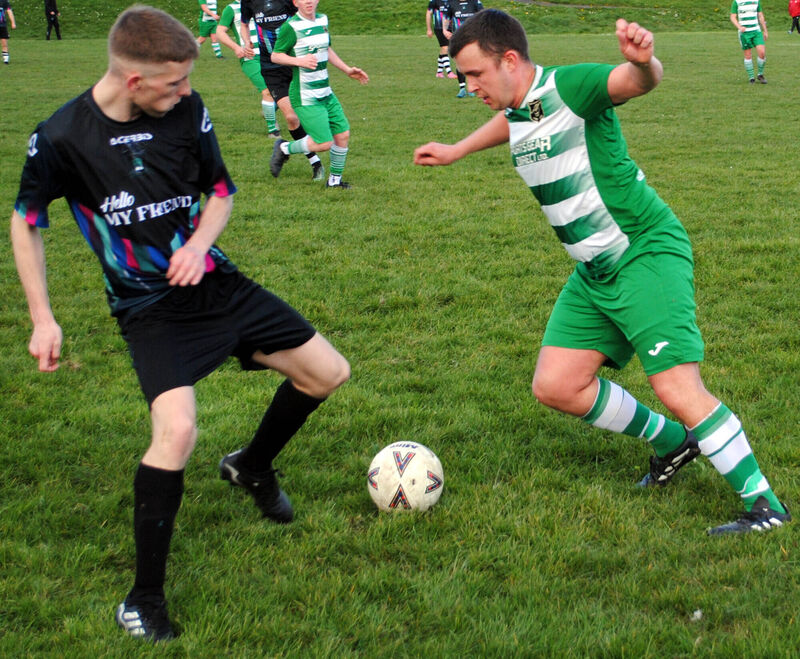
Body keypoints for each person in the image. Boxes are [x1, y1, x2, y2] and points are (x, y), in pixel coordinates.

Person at [10, 5, 350, 642]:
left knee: (328, 373)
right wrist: (41, 316)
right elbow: (27, 222)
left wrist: (198, 245)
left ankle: (251, 465)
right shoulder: (61, 137)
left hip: (215, 283)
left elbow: (219, 192)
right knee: (177, 432)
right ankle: (143, 598)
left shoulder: (188, 113)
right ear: (135, 82)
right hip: (148, 308)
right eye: (175, 83)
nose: (188, 92)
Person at [414, 9, 790, 535]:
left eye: (476, 74)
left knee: (678, 387)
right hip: (593, 274)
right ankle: (671, 443)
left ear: (510, 60)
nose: (469, 85)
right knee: (556, 384)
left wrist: (644, 63)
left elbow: (631, 82)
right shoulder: (523, 102)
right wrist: (458, 150)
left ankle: (765, 506)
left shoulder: (569, 85)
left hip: (642, 253)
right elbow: (515, 120)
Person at [269, 0, 369, 189]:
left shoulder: (323, 20)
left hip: (326, 92)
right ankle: (284, 148)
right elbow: (276, 55)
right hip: (305, 95)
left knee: (343, 134)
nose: (308, 1)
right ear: (295, 2)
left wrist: (347, 70)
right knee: (323, 143)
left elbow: (327, 49)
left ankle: (334, 182)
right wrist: (299, 61)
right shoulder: (290, 27)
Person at [240, 0, 325, 180]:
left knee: (311, 113)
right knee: (291, 117)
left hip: (293, 62)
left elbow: (301, 19)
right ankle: (315, 163)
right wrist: (247, 42)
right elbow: (244, 24)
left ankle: (295, 147)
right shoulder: (248, 1)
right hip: (271, 68)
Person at [216, 0, 282, 137]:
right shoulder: (232, 9)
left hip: (273, 55)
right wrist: (236, 47)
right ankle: (273, 131)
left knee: (285, 90)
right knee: (268, 91)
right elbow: (220, 31)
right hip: (251, 58)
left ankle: (269, 109)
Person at [443, 0, 483, 97]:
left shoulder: (475, 2)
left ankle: (472, 88)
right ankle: (462, 88)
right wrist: (444, 30)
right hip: (458, 38)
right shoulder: (451, 3)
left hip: (472, 38)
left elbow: (483, 17)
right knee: (460, 62)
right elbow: (447, 18)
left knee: (472, 63)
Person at [730, 0, 768, 83]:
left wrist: (765, 30)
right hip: (744, 33)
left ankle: (760, 74)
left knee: (762, 52)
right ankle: (751, 78)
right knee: (748, 55)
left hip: (756, 31)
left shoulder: (756, 1)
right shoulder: (736, 2)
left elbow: (760, 15)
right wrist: (739, 27)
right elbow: (733, 17)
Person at [426, 0, 457, 79]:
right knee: (445, 47)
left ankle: (439, 72)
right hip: (439, 28)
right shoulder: (434, 1)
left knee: (444, 48)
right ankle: (449, 72)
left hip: (450, 28)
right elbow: (429, 13)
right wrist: (429, 29)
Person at [0, 0, 16, 64]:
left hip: (2, 26)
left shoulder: (4, 2)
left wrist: (13, 23)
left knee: (4, 43)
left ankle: (6, 60)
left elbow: (9, 12)